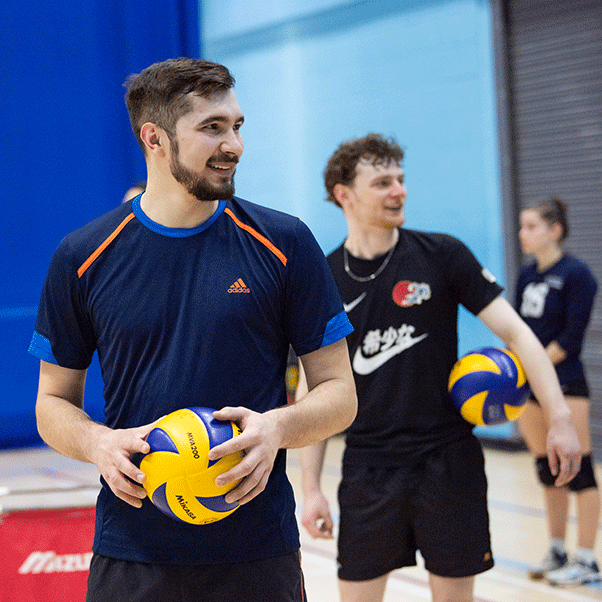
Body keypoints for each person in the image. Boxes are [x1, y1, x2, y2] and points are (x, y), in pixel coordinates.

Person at [28, 57, 357, 602]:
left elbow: (340, 393)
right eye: (212, 128)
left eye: (237, 126)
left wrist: (276, 427)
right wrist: (97, 441)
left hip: (257, 552)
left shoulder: (285, 243)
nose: (234, 144)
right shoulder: (83, 257)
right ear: (153, 138)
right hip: (133, 553)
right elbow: (51, 402)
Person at [298, 133, 582, 602]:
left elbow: (517, 334)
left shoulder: (442, 255)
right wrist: (310, 488)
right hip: (369, 468)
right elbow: (317, 388)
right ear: (343, 194)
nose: (399, 191)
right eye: (383, 182)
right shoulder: (324, 279)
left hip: (447, 462)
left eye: (402, 180)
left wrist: (560, 418)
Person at [516, 197, 599, 586]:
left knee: (579, 470)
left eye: (531, 226)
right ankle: (557, 549)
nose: (523, 234)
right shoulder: (527, 275)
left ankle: (586, 558)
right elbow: (518, 331)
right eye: (521, 226)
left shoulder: (577, 274)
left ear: (555, 230)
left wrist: (534, 366)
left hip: (565, 382)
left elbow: (570, 337)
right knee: (546, 469)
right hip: (529, 383)